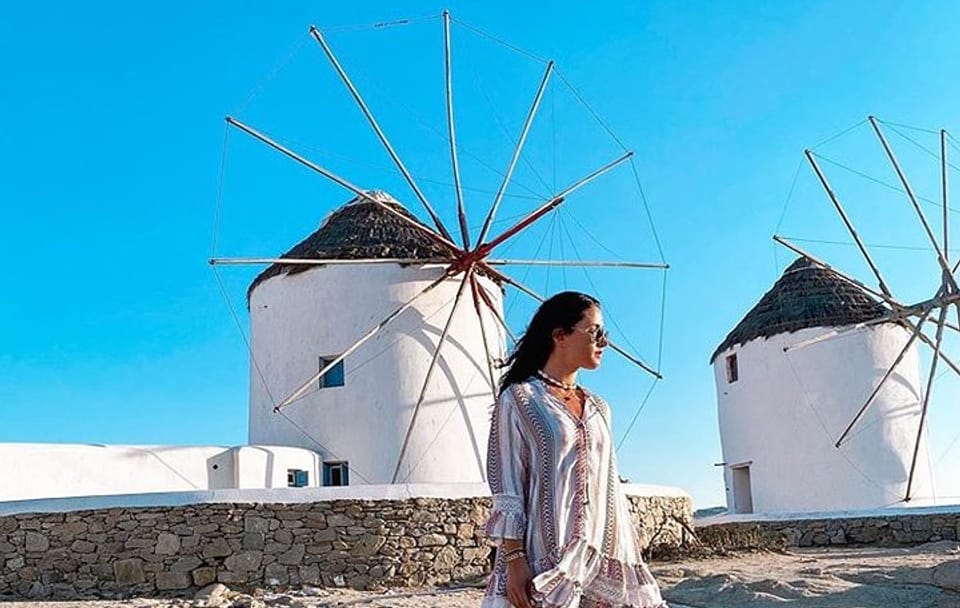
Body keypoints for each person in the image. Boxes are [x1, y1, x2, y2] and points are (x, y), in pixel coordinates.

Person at [481, 292, 667, 608]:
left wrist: (622, 561)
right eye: (595, 331)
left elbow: (610, 491)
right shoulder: (520, 400)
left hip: (598, 565)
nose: (604, 342)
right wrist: (514, 559)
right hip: (543, 563)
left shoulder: (599, 407)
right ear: (560, 335)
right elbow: (508, 487)